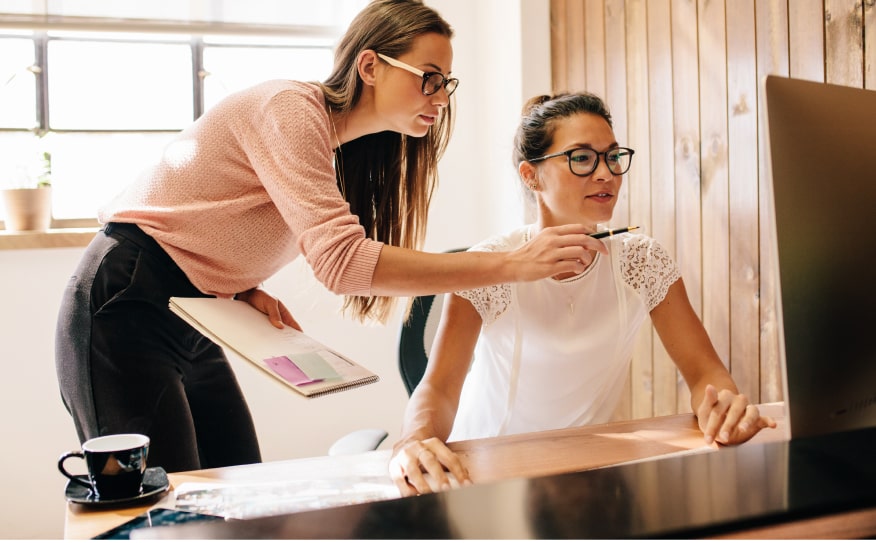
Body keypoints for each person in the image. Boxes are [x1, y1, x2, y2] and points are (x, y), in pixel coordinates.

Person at [54, 0, 604, 474]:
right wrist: (511, 263)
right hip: (122, 307)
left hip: (194, 312)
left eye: (447, 83)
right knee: (160, 512)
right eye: (428, 77)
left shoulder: (338, 148)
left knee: (239, 491)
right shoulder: (290, 109)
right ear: (369, 65)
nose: (440, 96)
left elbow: (210, 214)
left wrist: (238, 285)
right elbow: (342, 264)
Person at [388, 91, 777, 496]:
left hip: (584, 471)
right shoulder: (489, 264)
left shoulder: (643, 263)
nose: (606, 173)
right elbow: (438, 388)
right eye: (582, 158)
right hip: (484, 470)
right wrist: (413, 439)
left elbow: (705, 373)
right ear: (531, 175)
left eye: (612, 156)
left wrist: (724, 406)